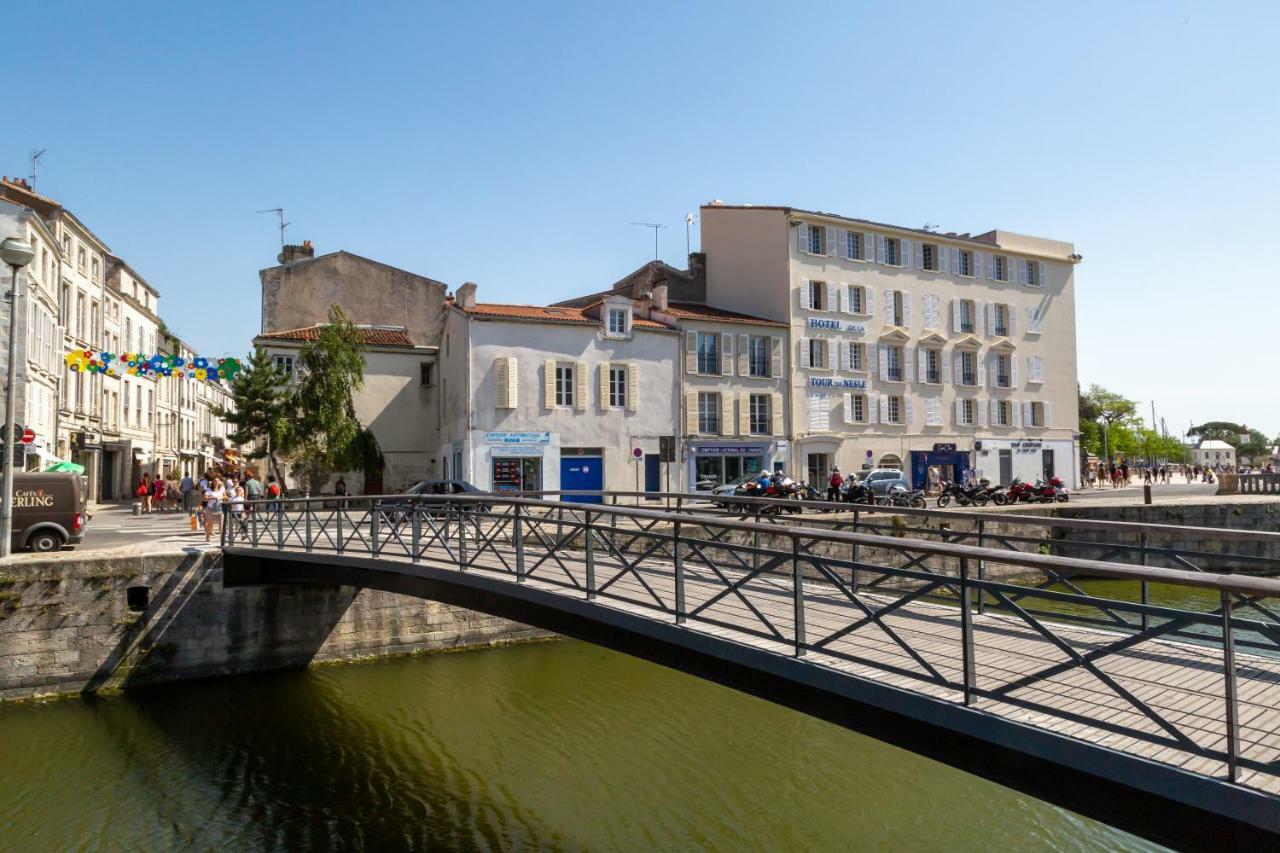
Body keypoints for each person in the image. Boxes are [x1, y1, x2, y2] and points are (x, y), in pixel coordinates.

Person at [203, 477, 226, 543]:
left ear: (219, 482)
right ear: (213, 482)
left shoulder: (222, 489)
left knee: (221, 523)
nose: (216, 482)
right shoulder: (209, 489)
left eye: (217, 481)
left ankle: (222, 538)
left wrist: (221, 497)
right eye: (215, 481)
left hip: (219, 508)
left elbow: (226, 496)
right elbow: (205, 498)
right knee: (210, 523)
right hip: (210, 508)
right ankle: (207, 535)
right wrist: (212, 497)